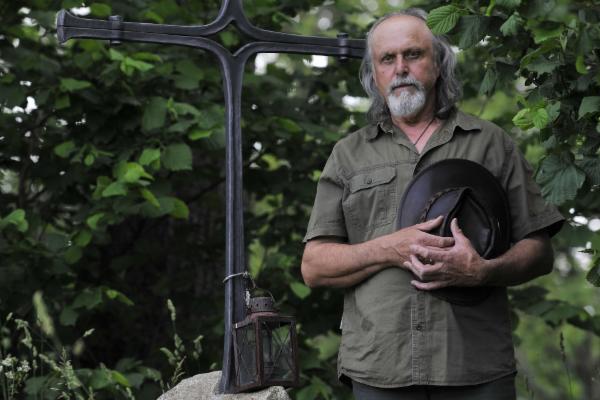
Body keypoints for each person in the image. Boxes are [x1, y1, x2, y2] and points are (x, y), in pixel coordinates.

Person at [300, 8, 564, 400]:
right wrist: (389, 248)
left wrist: (484, 271)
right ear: (374, 75)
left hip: (474, 367)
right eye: (387, 59)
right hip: (380, 368)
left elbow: (539, 251)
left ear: (438, 64)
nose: (400, 68)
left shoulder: (490, 143)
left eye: (413, 54)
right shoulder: (348, 155)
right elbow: (314, 267)